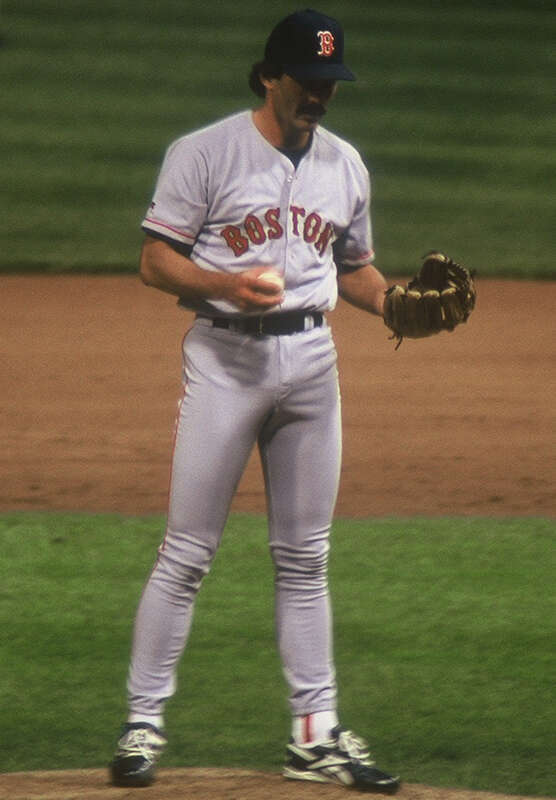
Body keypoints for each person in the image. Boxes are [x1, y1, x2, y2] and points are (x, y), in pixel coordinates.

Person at [109, 8, 400, 794]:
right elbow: (155, 262)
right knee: (187, 553)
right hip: (226, 361)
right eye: (307, 81)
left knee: (306, 559)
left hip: (312, 362)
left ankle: (314, 736)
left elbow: (354, 269)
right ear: (270, 74)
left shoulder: (346, 165)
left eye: (329, 84)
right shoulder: (204, 153)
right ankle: (143, 722)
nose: (319, 96)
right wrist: (226, 284)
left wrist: (398, 305)